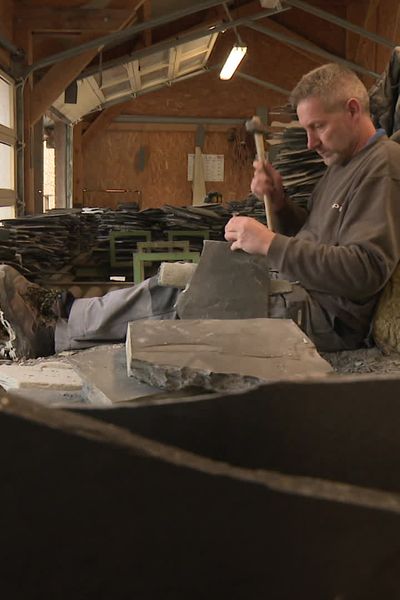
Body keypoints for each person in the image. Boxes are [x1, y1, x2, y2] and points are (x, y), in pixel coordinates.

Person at [1, 62, 400, 360]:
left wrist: (270, 243)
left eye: (319, 127)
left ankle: (54, 331)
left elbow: (365, 271)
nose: (311, 143)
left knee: (193, 301)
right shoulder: (342, 164)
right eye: (306, 130)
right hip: (296, 285)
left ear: (352, 110)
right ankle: (64, 311)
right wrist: (279, 203)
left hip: (325, 318)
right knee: (174, 280)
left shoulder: (383, 168)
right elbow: (315, 233)